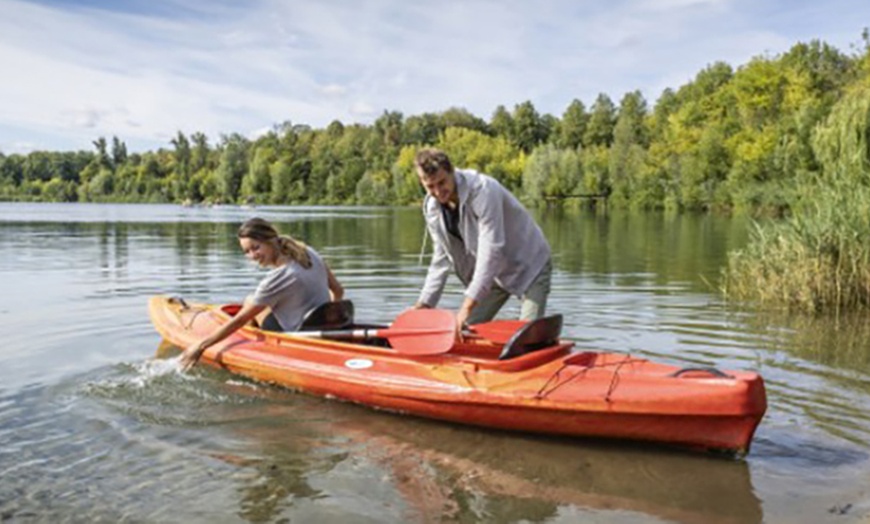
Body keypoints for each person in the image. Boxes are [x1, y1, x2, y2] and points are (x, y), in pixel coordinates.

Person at [413, 148, 552, 332]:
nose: (438, 192)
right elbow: (441, 259)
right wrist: (424, 305)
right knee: (462, 331)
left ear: (452, 172)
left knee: (525, 339)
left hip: (529, 264)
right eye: (430, 187)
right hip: (492, 276)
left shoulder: (483, 190)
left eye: (442, 182)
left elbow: (492, 249)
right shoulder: (433, 208)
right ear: (422, 183)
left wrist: (466, 307)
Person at [180, 217, 344, 371]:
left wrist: (201, 346)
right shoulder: (308, 252)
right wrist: (330, 319)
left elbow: (240, 320)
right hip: (320, 327)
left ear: (270, 240)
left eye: (256, 247)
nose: (252, 256)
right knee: (259, 302)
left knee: (250, 300)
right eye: (247, 251)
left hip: (298, 338)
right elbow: (338, 291)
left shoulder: (278, 277)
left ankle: (253, 348)